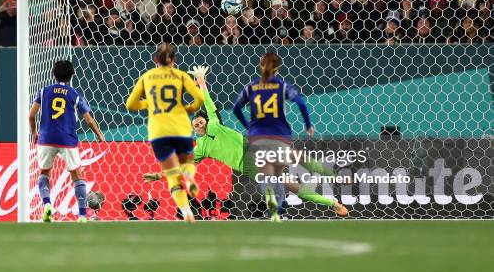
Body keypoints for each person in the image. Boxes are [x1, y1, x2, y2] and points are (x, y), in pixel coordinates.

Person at [144, 65, 346, 218]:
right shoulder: (201, 148)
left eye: (200, 121)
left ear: (206, 120)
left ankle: (278, 211)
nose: (198, 125)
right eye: (195, 124)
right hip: (247, 164)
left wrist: (201, 82)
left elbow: (208, 102)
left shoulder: (215, 125)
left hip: (252, 152)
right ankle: (330, 203)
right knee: (290, 184)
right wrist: (160, 175)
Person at [232, 52, 348, 221]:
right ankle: (278, 207)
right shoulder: (282, 86)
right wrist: (308, 125)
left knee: (268, 175)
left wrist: (249, 127)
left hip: (258, 138)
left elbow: (236, 109)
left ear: (260, 66)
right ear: (278, 69)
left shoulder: (251, 87)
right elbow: (301, 103)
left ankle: (274, 206)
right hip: (279, 137)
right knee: (283, 171)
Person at [125, 43, 204, 222]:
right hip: (180, 127)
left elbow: (130, 104)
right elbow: (199, 98)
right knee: (187, 163)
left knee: (172, 176)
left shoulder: (147, 77)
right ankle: (190, 179)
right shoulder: (181, 75)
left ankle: (186, 212)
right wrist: (189, 108)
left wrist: (149, 104)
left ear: (155, 60)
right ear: (174, 61)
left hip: (159, 132)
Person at [28, 60, 105, 223]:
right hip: (67, 139)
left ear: (53, 74)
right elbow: (89, 120)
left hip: (46, 138)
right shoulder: (74, 94)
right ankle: (82, 215)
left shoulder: (43, 91)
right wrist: (99, 134)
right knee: (77, 176)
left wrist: (34, 133)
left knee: (44, 173)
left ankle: (47, 205)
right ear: (72, 75)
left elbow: (31, 115)